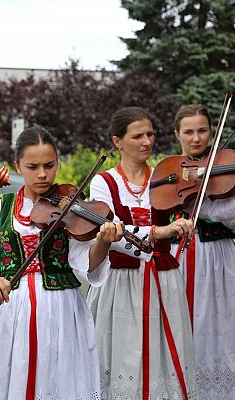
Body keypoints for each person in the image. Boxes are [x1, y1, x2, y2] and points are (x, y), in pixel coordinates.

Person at [0, 126, 128, 400]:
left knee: (58, 378)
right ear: (18, 165)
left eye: (49, 165)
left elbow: (86, 263)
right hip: (9, 311)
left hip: (60, 311)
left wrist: (102, 242)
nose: (42, 174)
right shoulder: (1, 207)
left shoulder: (71, 208)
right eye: (32, 166)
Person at [87, 107, 198, 399]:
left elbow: (210, 205)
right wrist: (159, 232)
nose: (147, 141)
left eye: (150, 134)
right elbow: (111, 237)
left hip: (163, 281)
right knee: (123, 353)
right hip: (120, 284)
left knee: (164, 353)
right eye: (137, 136)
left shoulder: (167, 178)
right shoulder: (104, 183)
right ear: (117, 141)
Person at [172, 104, 235, 400]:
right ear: (177, 134)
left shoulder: (224, 170)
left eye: (202, 130)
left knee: (225, 330)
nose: (196, 138)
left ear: (211, 133)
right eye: (188, 132)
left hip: (220, 259)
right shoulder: (169, 172)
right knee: (188, 328)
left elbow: (230, 218)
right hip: (183, 258)